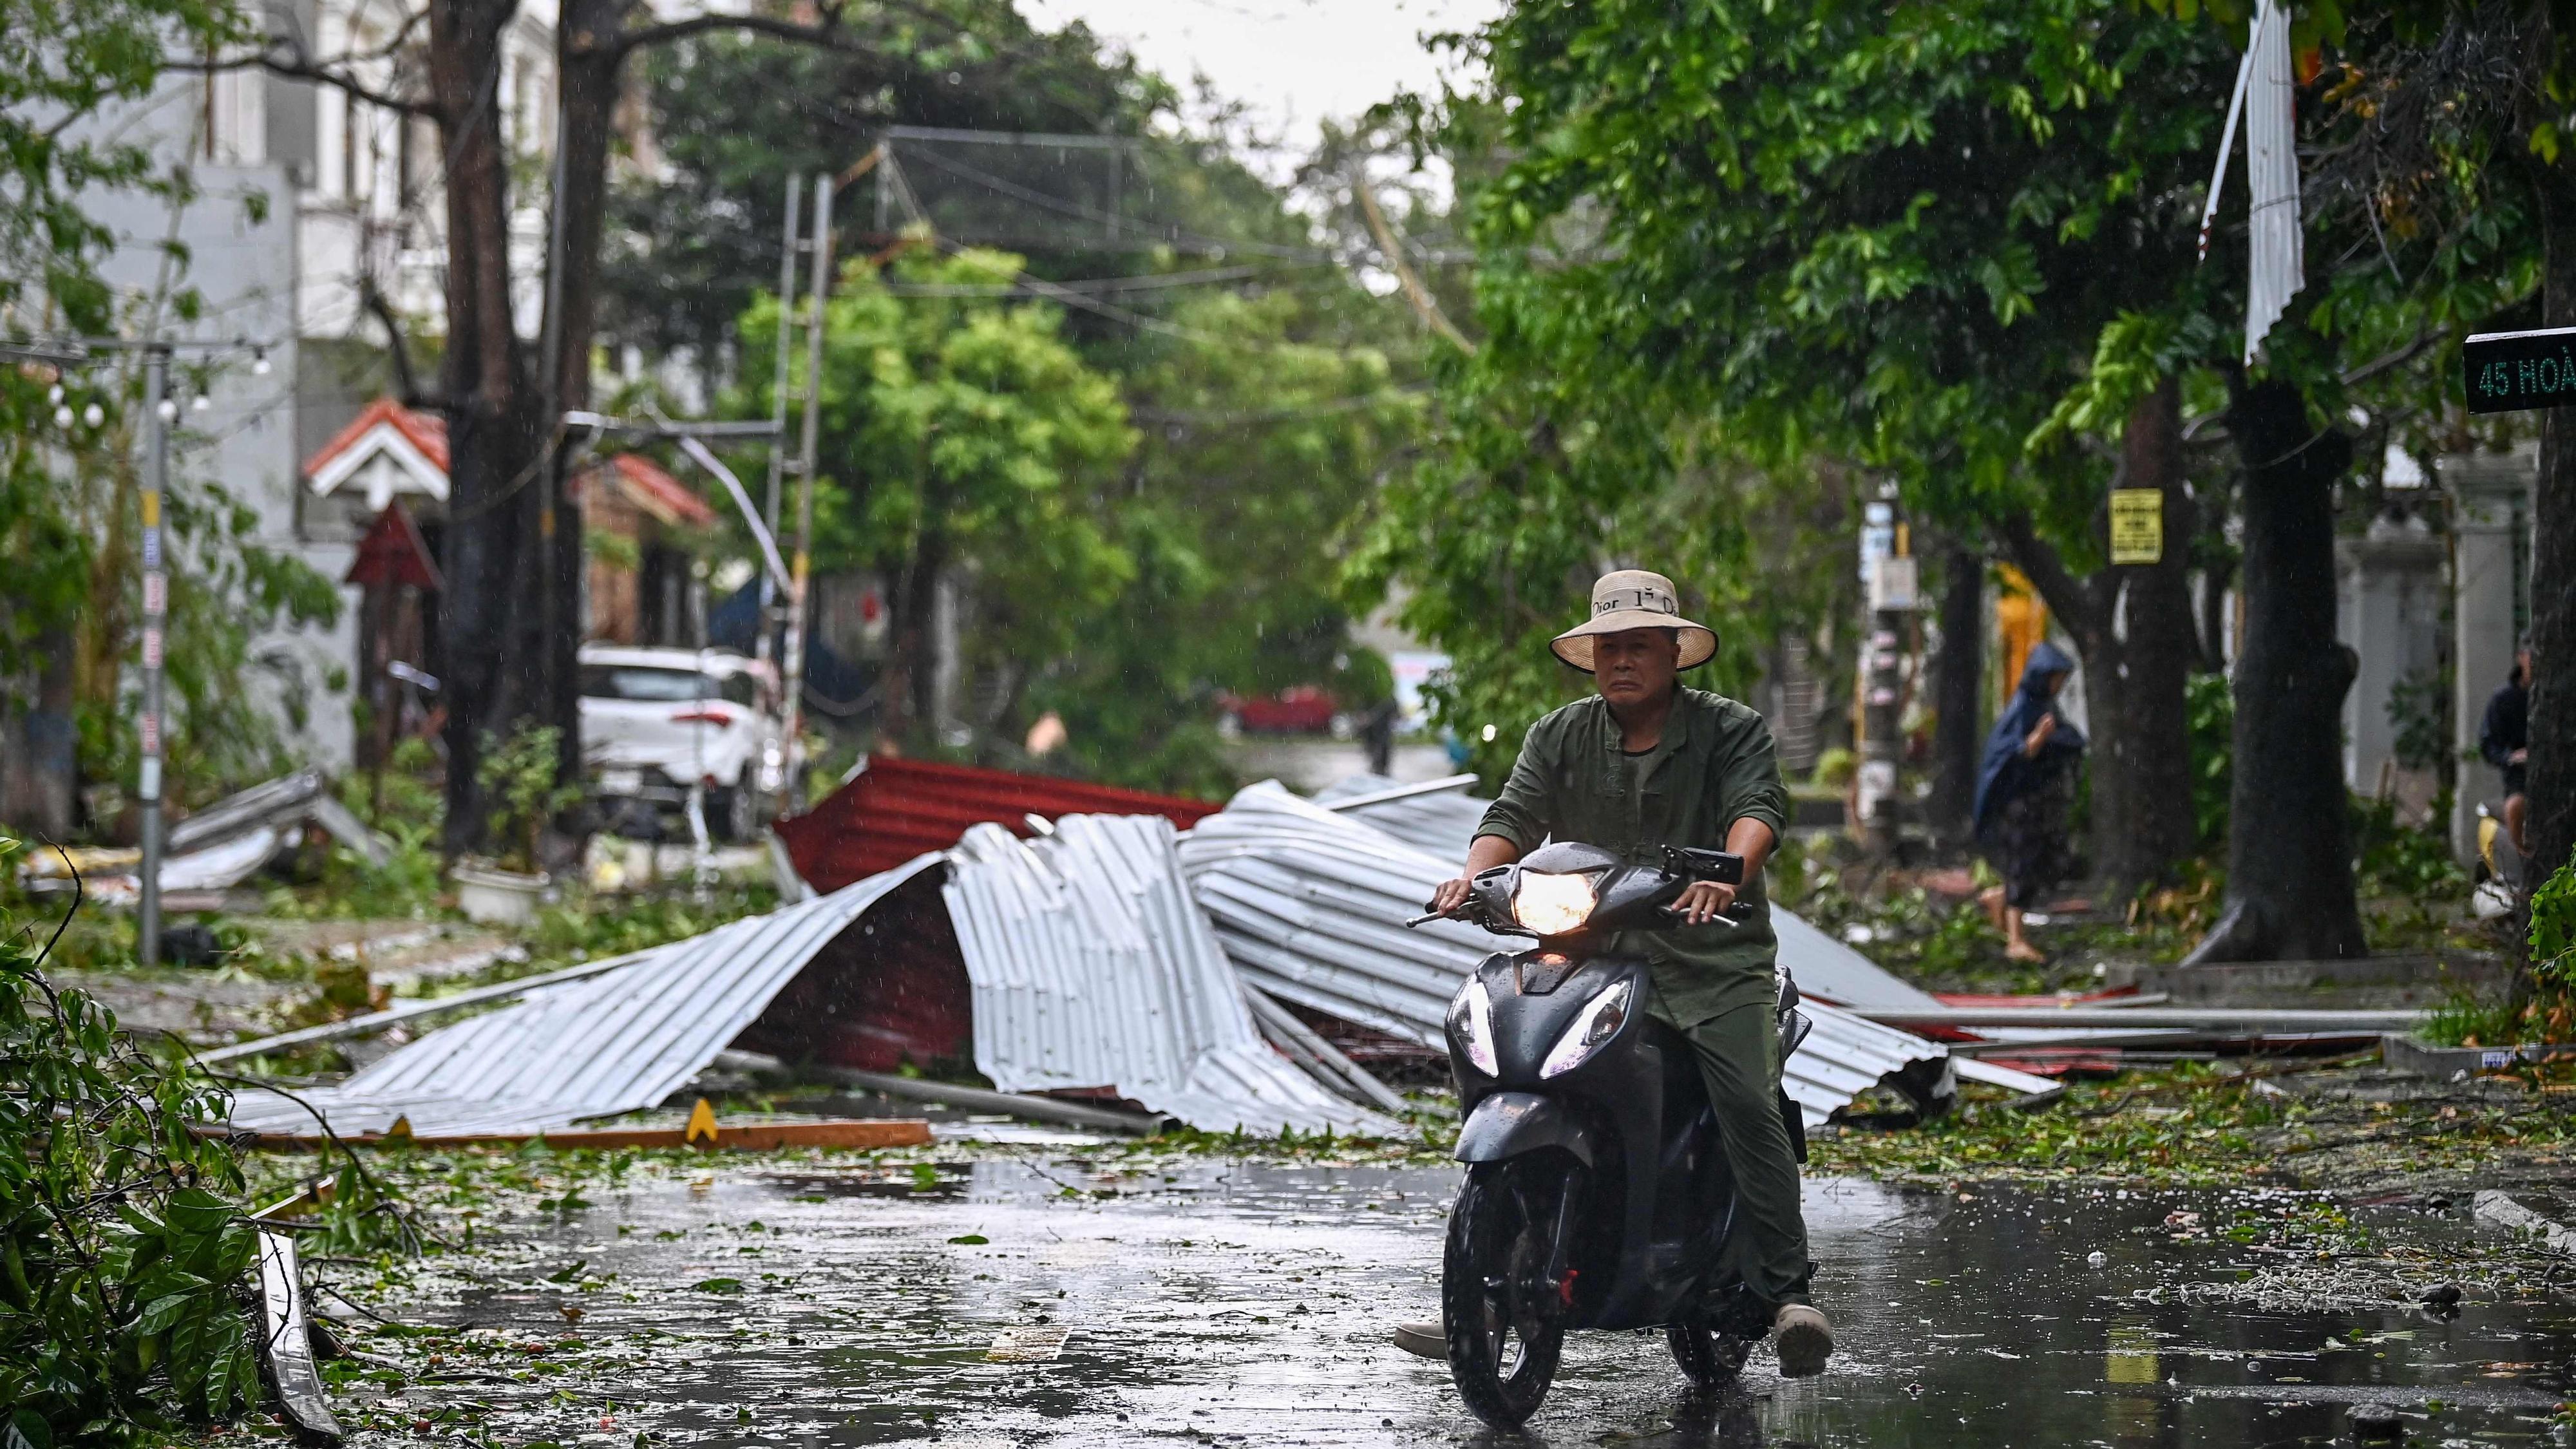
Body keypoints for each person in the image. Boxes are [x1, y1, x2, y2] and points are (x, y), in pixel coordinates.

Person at [1392, 569, 1832, 1379]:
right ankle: (1485, 1285)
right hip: (1589, 952)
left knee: (1742, 1095)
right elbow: (1509, 818)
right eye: (1607, 648)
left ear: (1674, 654)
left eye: (1638, 646)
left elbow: (1758, 809)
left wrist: (1729, 871)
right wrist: (1472, 876)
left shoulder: (1729, 729)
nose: (1620, 661)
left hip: (1710, 957)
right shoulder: (1559, 733)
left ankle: (1786, 1291)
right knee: (1511, 1065)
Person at [1972, 641, 2086, 965]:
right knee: (2022, 863)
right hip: (2019, 804)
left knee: (2043, 863)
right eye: (2055, 678)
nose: (2058, 686)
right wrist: (2035, 741)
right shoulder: (2023, 708)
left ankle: (2001, 899)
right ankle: (2016, 939)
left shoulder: (2046, 707)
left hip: (2041, 803)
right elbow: (2009, 754)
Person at [2482, 636, 2532, 858]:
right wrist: (2511, 757)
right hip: (2520, 778)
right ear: (2521, 658)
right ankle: (2522, 859)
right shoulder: (2504, 699)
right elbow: (2488, 745)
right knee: (2516, 806)